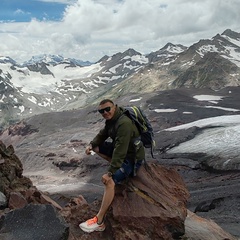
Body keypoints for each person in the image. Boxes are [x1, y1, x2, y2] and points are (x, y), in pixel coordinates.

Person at [79, 99, 145, 233]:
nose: (105, 113)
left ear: (114, 107)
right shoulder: (113, 120)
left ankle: (99, 221)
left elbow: (120, 151)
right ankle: (116, 168)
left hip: (131, 159)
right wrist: (91, 145)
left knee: (109, 182)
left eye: (107, 109)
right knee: (97, 148)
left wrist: (110, 173)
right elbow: (102, 135)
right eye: (101, 111)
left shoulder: (124, 123)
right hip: (122, 153)